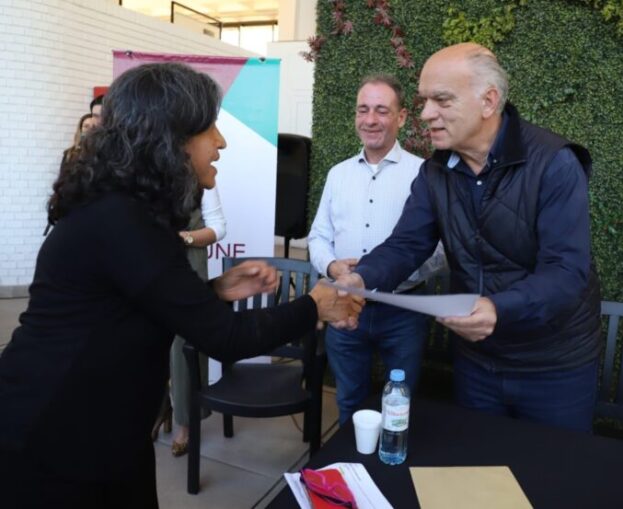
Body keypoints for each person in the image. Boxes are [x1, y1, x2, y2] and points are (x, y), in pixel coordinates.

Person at [0, 63, 362, 508]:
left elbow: (128, 304)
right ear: (169, 139)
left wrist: (211, 291)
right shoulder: (122, 220)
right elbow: (224, 337)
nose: (221, 142)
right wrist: (314, 305)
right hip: (57, 432)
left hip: (103, 427)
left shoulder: (127, 211)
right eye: (209, 128)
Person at [336, 43, 601, 433]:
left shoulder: (554, 163)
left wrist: (498, 308)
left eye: (441, 100)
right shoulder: (434, 173)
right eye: (425, 100)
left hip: (555, 366)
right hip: (477, 362)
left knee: (552, 481)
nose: (426, 115)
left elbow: (565, 271)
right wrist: (361, 278)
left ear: (488, 101)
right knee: (479, 477)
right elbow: (407, 244)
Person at [308, 74, 436, 426]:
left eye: (382, 110)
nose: (370, 120)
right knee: (348, 401)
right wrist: (334, 268)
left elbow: (437, 248)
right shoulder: (338, 175)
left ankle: (390, 471)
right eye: (363, 110)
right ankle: (350, 474)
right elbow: (318, 236)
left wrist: (378, 273)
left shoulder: (424, 175)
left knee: (400, 408)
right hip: (344, 305)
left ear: (402, 117)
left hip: (402, 311)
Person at [169, 186, 227, 456]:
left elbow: (217, 229)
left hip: (190, 267)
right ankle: (158, 410)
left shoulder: (202, 179)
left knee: (185, 349)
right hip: (152, 265)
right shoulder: (147, 170)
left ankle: (185, 424)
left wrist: (184, 238)